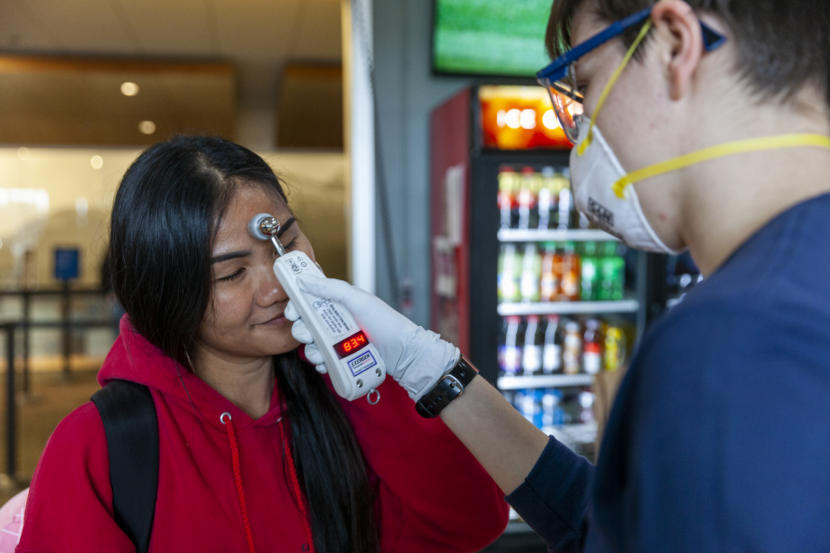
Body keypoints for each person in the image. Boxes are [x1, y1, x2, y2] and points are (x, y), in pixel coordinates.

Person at [288, 0, 830, 551]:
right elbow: (609, 525)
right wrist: (432, 369)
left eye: (586, 86)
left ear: (674, 44)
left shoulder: (737, 337)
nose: (579, 133)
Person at [16, 135, 509, 553]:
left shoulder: (345, 397)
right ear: (165, 291)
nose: (278, 288)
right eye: (232, 273)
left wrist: (381, 378)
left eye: (288, 243)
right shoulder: (96, 447)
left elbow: (475, 520)